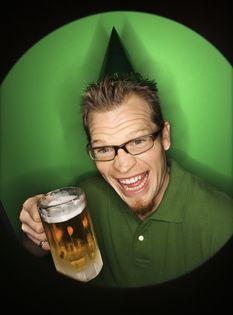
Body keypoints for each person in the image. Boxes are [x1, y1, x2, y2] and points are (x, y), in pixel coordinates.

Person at [19, 73, 233, 288]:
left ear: (165, 137)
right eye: (103, 149)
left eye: (138, 141)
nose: (122, 166)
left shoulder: (222, 223)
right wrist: (38, 233)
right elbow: (32, 250)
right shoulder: (85, 198)